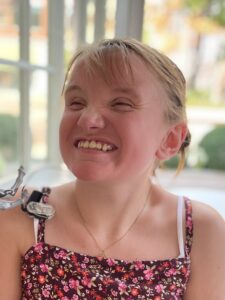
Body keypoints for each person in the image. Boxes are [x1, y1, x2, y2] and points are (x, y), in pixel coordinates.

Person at [0, 38, 225, 300]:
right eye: (76, 102)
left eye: (120, 103)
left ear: (170, 139)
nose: (88, 118)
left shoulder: (201, 232)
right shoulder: (19, 215)